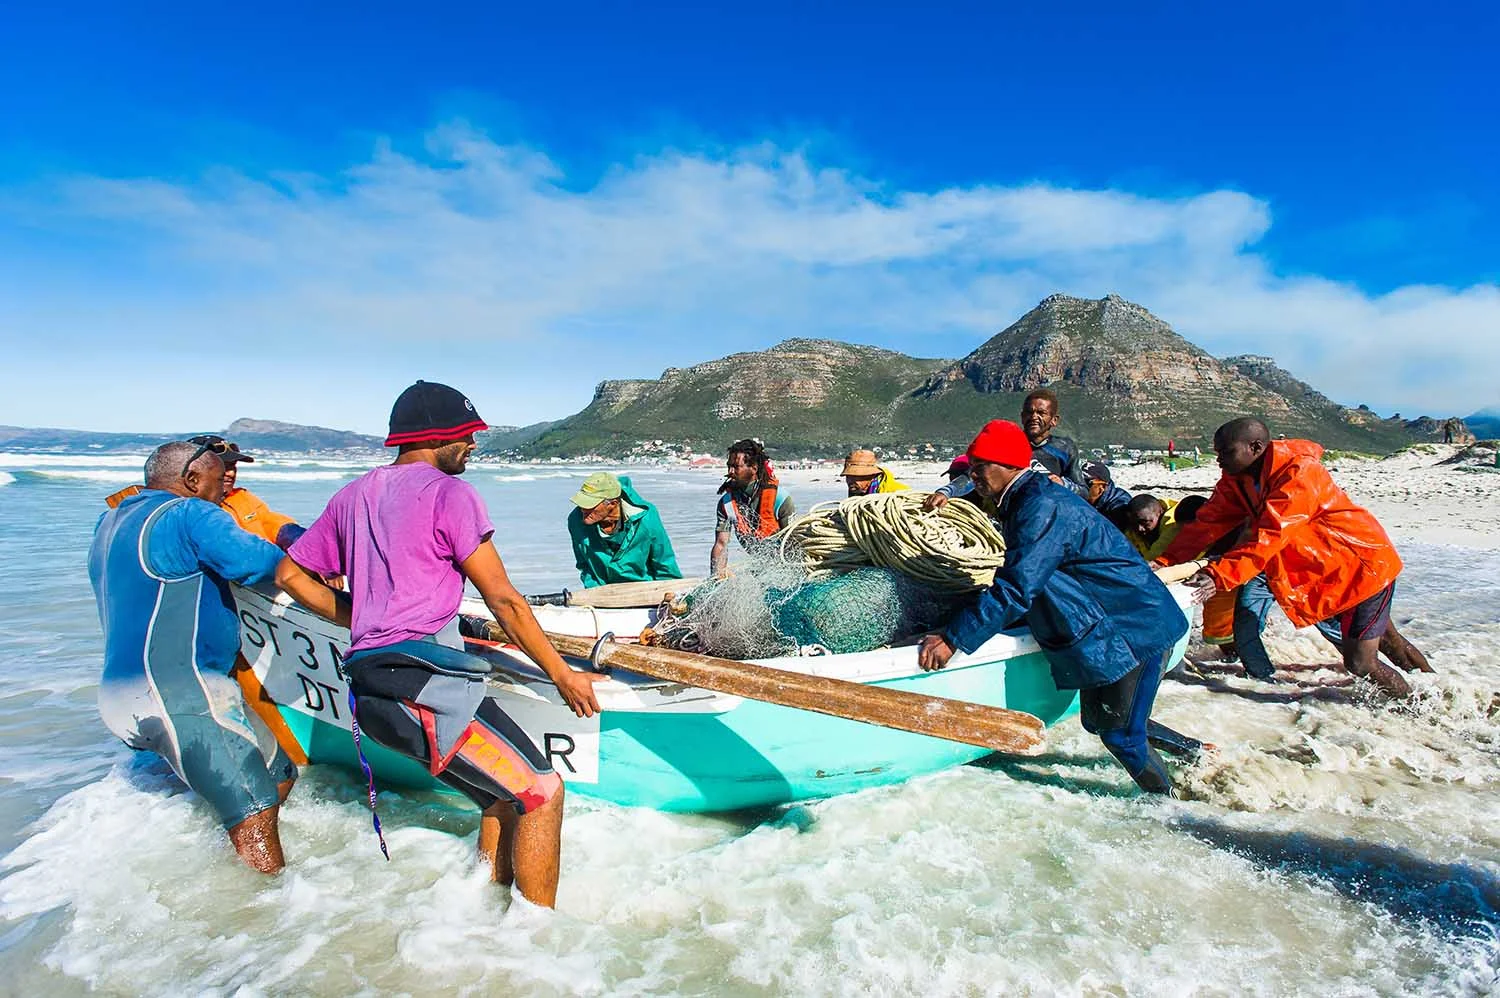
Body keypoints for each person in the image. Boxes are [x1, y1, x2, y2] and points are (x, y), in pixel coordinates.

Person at [275, 380, 606, 909]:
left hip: (371, 688)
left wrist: (359, 616)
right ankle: (538, 945)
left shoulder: (352, 495)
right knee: (543, 794)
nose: (474, 445)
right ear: (437, 437)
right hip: (426, 689)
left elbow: (291, 575)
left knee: (501, 797)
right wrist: (562, 675)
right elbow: (504, 601)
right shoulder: (450, 494)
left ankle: (476, 914)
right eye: (468, 435)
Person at [917, 420, 1195, 794]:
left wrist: (955, 638)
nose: (973, 475)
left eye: (980, 466)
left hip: (1134, 628)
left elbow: (1017, 585)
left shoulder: (1040, 506)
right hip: (1117, 622)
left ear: (1009, 465)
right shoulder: (1024, 499)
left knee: (1121, 735)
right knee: (1098, 722)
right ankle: (1198, 755)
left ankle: (1174, 806)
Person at [87, 441, 296, 872]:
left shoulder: (109, 522)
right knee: (253, 806)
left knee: (279, 775)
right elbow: (262, 562)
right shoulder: (190, 513)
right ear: (192, 480)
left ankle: (218, 862)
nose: (225, 494)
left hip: (122, 697)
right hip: (180, 694)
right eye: (220, 483)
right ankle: (268, 909)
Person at [1157, 417, 1432, 698]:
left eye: (1226, 452)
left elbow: (1271, 534)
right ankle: (1436, 689)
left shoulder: (1299, 473)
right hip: (1327, 575)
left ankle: (1419, 707)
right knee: (1389, 641)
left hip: (1362, 568)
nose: (1219, 460)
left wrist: (1219, 575)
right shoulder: (1237, 480)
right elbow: (1207, 523)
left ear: (1255, 447)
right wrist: (1164, 561)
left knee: (1360, 662)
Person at [926, 389, 1131, 520]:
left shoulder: (1065, 448)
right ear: (1022, 416)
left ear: (1054, 420)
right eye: (1029, 412)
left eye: (1041, 413)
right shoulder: (1008, 442)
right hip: (1009, 515)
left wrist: (1063, 484)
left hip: (1048, 517)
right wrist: (946, 491)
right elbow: (976, 473)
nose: (1034, 417)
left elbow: (1084, 492)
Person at [188, 435, 306, 550]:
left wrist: (296, 537)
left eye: (233, 466)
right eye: (223, 466)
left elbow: (270, 521)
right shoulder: (190, 511)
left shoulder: (241, 497)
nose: (231, 473)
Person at [567, 471, 682, 588]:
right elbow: (584, 565)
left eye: (589, 504)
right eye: (581, 503)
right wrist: (594, 591)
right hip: (603, 593)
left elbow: (663, 561)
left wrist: (671, 591)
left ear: (612, 503)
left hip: (645, 589)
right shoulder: (576, 520)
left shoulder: (647, 518)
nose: (583, 509)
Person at [709, 439, 796, 576]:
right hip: (760, 565)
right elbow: (721, 544)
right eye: (729, 466)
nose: (730, 472)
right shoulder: (726, 504)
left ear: (754, 468)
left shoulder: (781, 499)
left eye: (736, 467)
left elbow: (793, 542)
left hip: (784, 566)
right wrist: (716, 576)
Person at [841, 448, 910, 497]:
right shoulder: (856, 492)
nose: (850, 481)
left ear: (870, 475)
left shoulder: (899, 493)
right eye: (848, 477)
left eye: (855, 477)